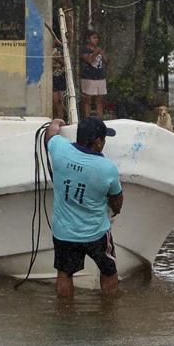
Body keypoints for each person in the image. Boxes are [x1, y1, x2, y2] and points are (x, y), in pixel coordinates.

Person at [45, 116, 123, 298]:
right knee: (109, 270)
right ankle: (109, 308)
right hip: (96, 234)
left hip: (64, 233)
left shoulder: (60, 150)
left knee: (65, 273)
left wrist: (56, 122)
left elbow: (50, 136)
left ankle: (65, 311)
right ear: (97, 142)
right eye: (103, 139)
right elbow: (117, 202)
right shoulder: (107, 168)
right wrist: (114, 210)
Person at [81, 30, 109, 119]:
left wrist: (102, 53)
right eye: (94, 38)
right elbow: (89, 60)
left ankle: (100, 119)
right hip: (89, 77)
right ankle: (87, 119)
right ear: (88, 39)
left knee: (100, 100)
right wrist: (96, 52)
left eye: (97, 38)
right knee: (87, 99)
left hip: (100, 77)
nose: (96, 40)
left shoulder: (99, 49)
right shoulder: (85, 49)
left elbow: (107, 61)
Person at [52, 41, 66, 121]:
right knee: (54, 101)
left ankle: (61, 118)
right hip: (52, 78)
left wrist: (58, 59)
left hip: (60, 77)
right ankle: (55, 118)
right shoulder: (46, 50)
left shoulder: (61, 50)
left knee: (60, 100)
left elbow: (65, 63)